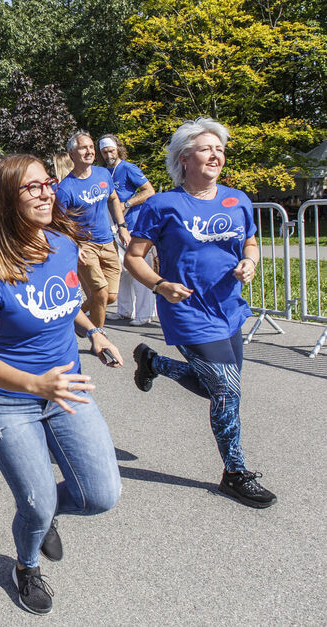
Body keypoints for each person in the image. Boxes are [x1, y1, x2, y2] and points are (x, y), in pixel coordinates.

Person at [0, 154, 123, 615]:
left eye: (47, 183)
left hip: (65, 388)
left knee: (101, 496)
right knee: (34, 505)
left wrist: (93, 332)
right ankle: (26, 565)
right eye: (32, 187)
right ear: (7, 200)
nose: (46, 192)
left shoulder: (63, 245)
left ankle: (47, 511)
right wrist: (37, 384)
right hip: (8, 402)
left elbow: (64, 302)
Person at [124, 117, 276, 509]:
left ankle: (154, 363)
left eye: (220, 149)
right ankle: (235, 473)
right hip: (188, 310)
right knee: (226, 390)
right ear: (184, 158)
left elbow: (251, 242)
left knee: (223, 390)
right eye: (206, 148)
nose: (215, 155)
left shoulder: (237, 199)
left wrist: (249, 261)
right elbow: (134, 257)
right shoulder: (162, 205)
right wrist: (160, 285)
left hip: (228, 309)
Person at [55, 131, 129, 329]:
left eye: (91, 147)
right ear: (72, 154)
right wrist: (74, 246)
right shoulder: (65, 188)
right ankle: (98, 336)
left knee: (110, 296)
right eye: (83, 148)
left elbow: (114, 199)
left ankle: (76, 317)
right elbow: (58, 223)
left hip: (108, 242)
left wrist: (122, 227)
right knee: (100, 294)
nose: (89, 151)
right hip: (85, 246)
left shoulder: (103, 174)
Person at [99, 134, 157, 326]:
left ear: (118, 149)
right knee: (122, 271)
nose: (108, 155)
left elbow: (149, 190)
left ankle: (144, 314)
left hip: (134, 226)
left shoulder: (128, 168)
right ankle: (124, 310)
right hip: (114, 227)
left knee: (140, 269)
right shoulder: (105, 172)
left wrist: (127, 203)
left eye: (111, 151)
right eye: (104, 152)